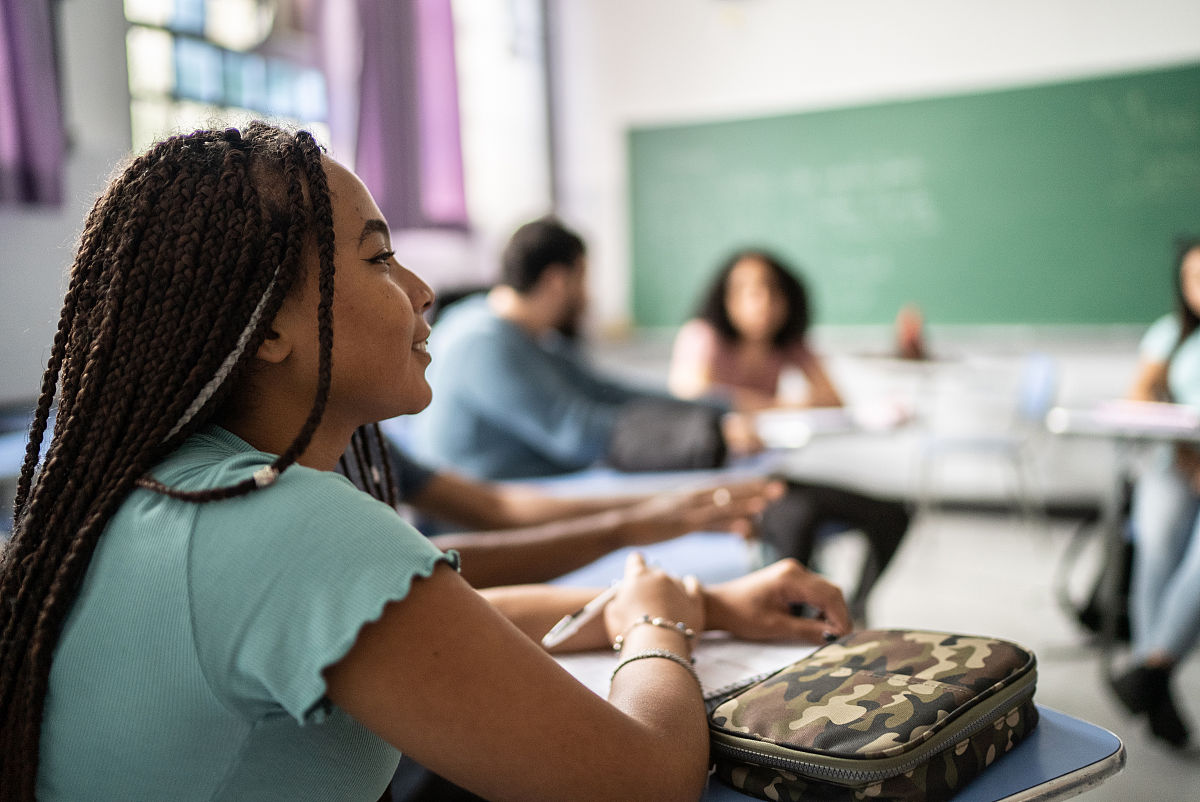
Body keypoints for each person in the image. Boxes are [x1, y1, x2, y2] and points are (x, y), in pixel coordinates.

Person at [0, 123, 851, 800]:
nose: (423, 289)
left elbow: (431, 620)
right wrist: (659, 626)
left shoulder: (159, 489)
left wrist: (691, 599)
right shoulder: (287, 525)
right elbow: (643, 781)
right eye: (378, 257)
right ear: (266, 328)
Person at [408, 216, 761, 480]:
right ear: (557, 281)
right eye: (583, 279)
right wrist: (709, 434)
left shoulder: (524, 335)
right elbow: (576, 432)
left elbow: (605, 391)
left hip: (530, 488)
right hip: (481, 513)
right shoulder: (481, 343)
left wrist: (721, 406)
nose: (588, 296)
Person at [668, 249, 912, 620]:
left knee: (892, 514)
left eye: (771, 290)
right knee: (797, 516)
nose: (761, 302)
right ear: (726, 297)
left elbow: (832, 401)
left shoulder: (787, 345)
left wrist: (765, 405)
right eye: (747, 290)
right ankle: (793, 621)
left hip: (769, 477)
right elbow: (693, 394)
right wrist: (783, 403)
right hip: (717, 481)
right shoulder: (703, 336)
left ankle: (852, 607)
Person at [345, 436, 779, 587]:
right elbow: (410, 573)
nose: (421, 292)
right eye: (379, 260)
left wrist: (664, 506)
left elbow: (494, 505)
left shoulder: (365, 433)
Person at [1109, 238, 1200, 748]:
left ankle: (1151, 671)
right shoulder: (1171, 335)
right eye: (1192, 277)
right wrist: (1187, 450)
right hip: (1178, 459)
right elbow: (1140, 393)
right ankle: (1156, 680)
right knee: (1158, 538)